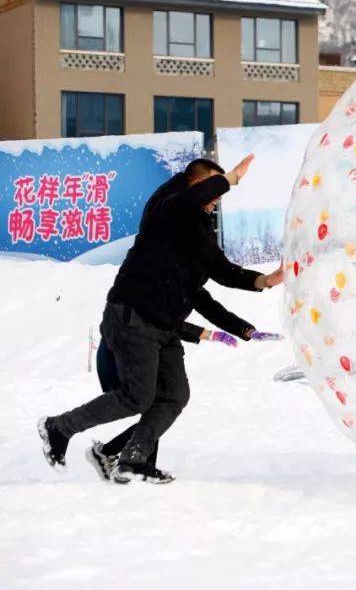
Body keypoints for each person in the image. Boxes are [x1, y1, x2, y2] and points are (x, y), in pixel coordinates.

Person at [39, 155, 285, 482]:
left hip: (163, 327)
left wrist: (263, 282)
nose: (218, 199)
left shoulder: (198, 231)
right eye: (214, 190)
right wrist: (233, 178)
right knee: (136, 397)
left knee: (174, 396)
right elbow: (190, 199)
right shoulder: (165, 207)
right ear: (195, 184)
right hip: (133, 316)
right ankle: (58, 427)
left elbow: (218, 276)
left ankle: (132, 458)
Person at [86, 297, 283, 484]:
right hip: (121, 353)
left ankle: (120, 458)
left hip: (136, 352)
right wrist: (210, 334)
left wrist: (246, 330)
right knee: (160, 406)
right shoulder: (153, 283)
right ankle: (128, 461)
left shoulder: (183, 282)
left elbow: (211, 308)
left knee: (160, 408)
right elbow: (160, 323)